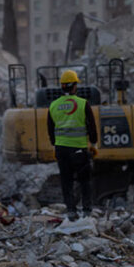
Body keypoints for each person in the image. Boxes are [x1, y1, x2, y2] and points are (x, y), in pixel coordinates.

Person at [46, 70, 98, 218]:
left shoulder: (53, 105)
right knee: (84, 181)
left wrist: (56, 144)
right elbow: (92, 128)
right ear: (74, 86)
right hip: (79, 149)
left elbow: (50, 130)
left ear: (62, 87)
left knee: (66, 181)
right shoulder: (83, 104)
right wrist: (93, 145)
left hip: (61, 150)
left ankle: (71, 211)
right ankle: (87, 211)